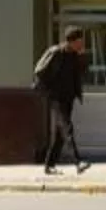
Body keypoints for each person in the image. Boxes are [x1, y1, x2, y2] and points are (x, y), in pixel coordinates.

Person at [33, 27, 90, 175]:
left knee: (60, 134)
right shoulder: (56, 52)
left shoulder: (76, 55)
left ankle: (49, 165)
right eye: (79, 41)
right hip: (56, 98)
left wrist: (82, 57)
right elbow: (39, 71)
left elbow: (83, 72)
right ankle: (78, 161)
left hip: (68, 97)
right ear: (71, 41)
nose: (82, 44)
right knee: (67, 127)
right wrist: (48, 89)